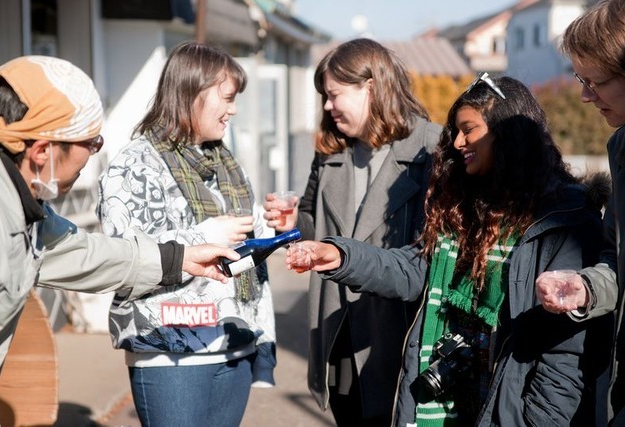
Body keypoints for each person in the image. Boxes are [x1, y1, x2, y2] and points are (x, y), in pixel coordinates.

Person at [286, 75, 611, 426]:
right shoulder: (464, 206)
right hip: (443, 406)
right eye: (455, 131)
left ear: (507, 133)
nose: (457, 142)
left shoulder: (566, 217)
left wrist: (534, 420)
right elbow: (414, 268)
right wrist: (342, 256)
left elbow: (568, 355)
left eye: (468, 129)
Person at [0, 55, 239, 426]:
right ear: (42, 151)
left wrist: (178, 258)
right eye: (92, 142)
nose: (94, 155)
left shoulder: (21, 201)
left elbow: (79, 251)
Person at [96, 41, 276, 427]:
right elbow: (120, 256)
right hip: (169, 354)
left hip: (233, 346)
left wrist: (271, 226)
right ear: (191, 92)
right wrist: (204, 234)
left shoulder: (223, 160)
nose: (234, 110)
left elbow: (243, 241)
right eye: (227, 98)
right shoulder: (134, 164)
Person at [263, 38, 441, 426]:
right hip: (338, 329)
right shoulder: (331, 149)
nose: (327, 106)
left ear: (372, 88)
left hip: (396, 336)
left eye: (334, 95)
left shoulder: (433, 149)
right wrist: (295, 223)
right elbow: (312, 218)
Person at [534, 0, 625, 423]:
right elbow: (616, 263)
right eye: (580, 79)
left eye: (596, 82)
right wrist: (586, 287)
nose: (586, 96)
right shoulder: (620, 148)